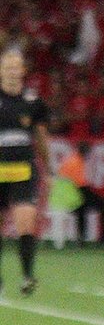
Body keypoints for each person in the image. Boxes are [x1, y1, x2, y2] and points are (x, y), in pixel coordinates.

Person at [0, 45, 50, 295]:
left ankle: (27, 275)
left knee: (26, 224)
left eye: (14, 66)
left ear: (22, 71)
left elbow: (41, 138)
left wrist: (49, 169)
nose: (10, 71)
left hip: (23, 171)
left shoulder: (33, 103)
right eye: (6, 66)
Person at [58, 140, 104, 244]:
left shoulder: (72, 159)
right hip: (73, 192)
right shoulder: (76, 161)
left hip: (68, 193)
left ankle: (82, 237)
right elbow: (80, 185)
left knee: (84, 205)